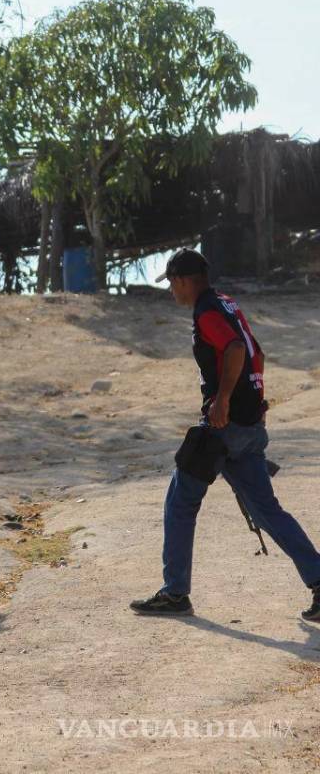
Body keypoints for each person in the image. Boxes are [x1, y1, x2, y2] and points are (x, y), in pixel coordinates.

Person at [130, 249, 320, 621]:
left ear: (183, 280)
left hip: (224, 428)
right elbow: (256, 352)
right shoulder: (227, 304)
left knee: (180, 502)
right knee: (267, 511)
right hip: (249, 426)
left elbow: (234, 348)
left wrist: (223, 400)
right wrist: (254, 400)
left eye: (171, 283)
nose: (171, 291)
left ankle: (175, 593)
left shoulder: (206, 310)